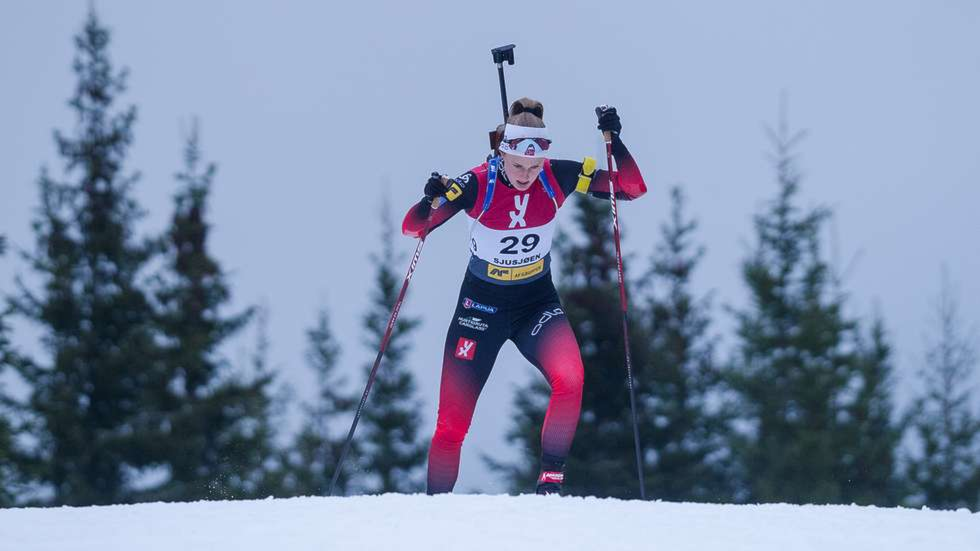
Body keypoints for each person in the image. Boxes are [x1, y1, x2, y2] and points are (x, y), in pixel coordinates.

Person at [402, 98, 647, 495]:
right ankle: (435, 514)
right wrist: (428, 199)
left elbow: (632, 189)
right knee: (451, 425)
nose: (526, 175)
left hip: (536, 304)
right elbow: (414, 229)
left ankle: (550, 487)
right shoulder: (477, 182)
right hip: (480, 309)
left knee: (570, 377)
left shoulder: (557, 176)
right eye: (518, 165)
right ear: (502, 153)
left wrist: (614, 141)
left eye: (534, 166)